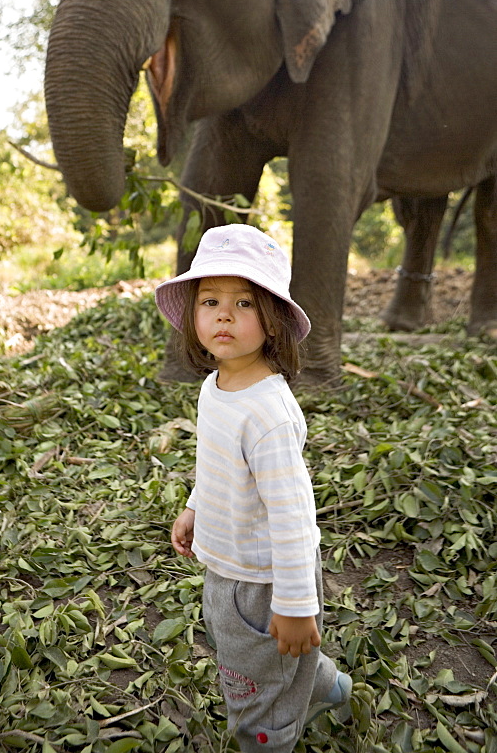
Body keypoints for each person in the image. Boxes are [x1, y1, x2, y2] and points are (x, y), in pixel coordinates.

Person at [155, 223, 351, 753]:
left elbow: (293, 518)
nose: (223, 314)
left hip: (266, 583)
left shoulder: (269, 413)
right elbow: (217, 464)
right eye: (210, 300)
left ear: (272, 321)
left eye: (244, 301)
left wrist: (293, 604)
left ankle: (268, 737)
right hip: (226, 565)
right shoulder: (214, 387)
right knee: (245, 652)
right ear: (193, 314)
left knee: (256, 697)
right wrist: (196, 506)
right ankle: (326, 687)